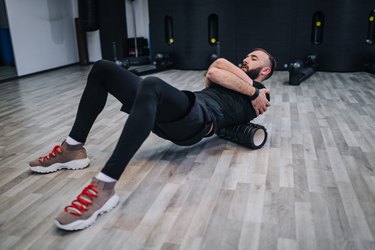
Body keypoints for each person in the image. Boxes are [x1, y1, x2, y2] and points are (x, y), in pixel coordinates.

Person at [29, 48, 276, 231]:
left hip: (198, 121)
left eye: (254, 58)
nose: (245, 59)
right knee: (103, 68)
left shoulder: (262, 96)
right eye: (247, 55)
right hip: (179, 108)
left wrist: (255, 90)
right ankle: (72, 148)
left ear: (265, 71)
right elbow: (216, 68)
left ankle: (104, 188)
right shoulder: (251, 90)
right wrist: (250, 89)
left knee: (153, 84)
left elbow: (218, 69)